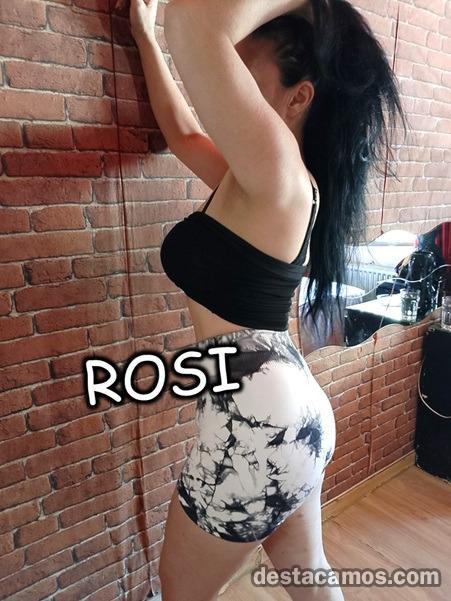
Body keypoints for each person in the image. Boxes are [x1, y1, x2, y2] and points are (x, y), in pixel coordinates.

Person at [119, 1, 408, 599]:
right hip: (286, 410)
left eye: (241, 68)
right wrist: (143, 35)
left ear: (298, 98)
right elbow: (182, 134)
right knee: (307, 573)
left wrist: (315, 5)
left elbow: (195, 25)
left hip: (258, 422)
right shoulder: (268, 183)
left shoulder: (280, 172)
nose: (223, 83)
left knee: (179, 589)